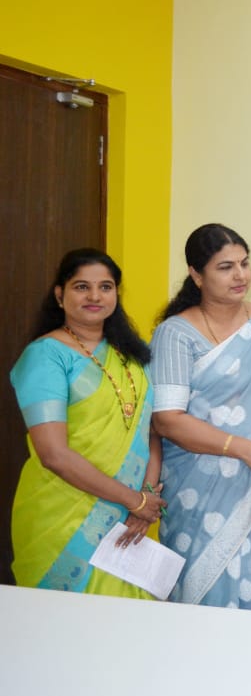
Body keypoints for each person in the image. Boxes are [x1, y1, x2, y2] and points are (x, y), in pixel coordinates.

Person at [150, 224, 251, 610]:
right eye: (225, 267)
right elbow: (167, 419)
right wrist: (242, 449)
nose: (240, 275)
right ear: (196, 275)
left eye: (244, 264)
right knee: (205, 593)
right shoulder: (176, 334)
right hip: (198, 486)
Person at [9, 248, 166, 596]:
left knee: (127, 620)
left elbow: (152, 431)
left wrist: (146, 497)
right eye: (82, 287)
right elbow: (53, 454)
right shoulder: (45, 356)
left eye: (105, 287)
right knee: (65, 621)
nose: (95, 296)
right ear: (60, 294)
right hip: (61, 517)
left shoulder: (132, 355)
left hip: (130, 517)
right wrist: (134, 500)